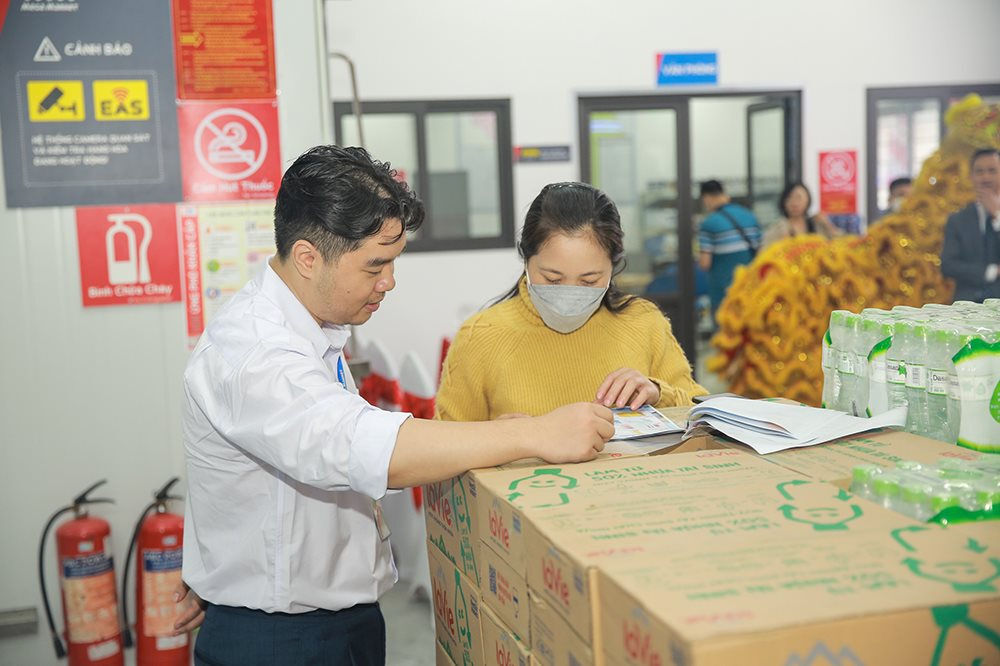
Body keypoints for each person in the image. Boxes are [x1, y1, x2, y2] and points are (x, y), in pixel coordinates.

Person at [173, 147, 614, 666]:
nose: (389, 281)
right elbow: (362, 447)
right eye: (375, 265)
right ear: (308, 257)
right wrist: (534, 434)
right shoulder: (254, 350)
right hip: (281, 639)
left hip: (326, 619)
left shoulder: (310, 330)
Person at [435, 182, 706, 423]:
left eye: (589, 280)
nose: (570, 294)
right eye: (552, 279)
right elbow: (445, 448)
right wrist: (497, 438)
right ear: (526, 259)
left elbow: (704, 415)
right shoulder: (479, 337)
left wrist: (658, 393)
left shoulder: (643, 322)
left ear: (613, 267)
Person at [940, 148, 1000, 303]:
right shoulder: (957, 219)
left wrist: (997, 215)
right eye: (979, 172)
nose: (985, 177)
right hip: (966, 304)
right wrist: (991, 272)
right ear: (971, 177)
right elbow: (948, 265)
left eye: (992, 171)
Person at [697, 179, 762, 320]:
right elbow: (761, 253)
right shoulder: (750, 216)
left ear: (706, 198)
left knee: (724, 331)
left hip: (723, 294)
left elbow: (705, 263)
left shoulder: (708, 224)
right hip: (749, 289)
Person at [762, 181, 844, 247]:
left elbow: (842, 244)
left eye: (799, 197)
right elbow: (764, 255)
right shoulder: (776, 228)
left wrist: (827, 225)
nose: (794, 202)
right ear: (784, 202)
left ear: (808, 200)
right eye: (789, 198)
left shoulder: (816, 224)